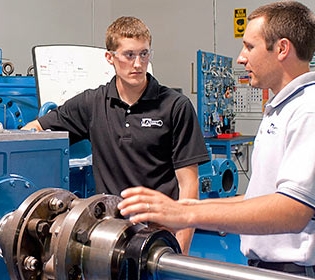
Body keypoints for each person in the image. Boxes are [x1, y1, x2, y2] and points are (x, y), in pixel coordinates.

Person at [117, 2, 315, 279]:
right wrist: (184, 207)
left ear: (281, 49)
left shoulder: (314, 111)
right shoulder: (282, 109)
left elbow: (293, 210)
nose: (241, 58)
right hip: (269, 269)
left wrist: (188, 216)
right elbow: (260, 199)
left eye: (249, 47)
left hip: (300, 273)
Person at [22, 16, 209, 254]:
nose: (138, 64)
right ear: (110, 57)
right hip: (108, 235)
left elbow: (188, 184)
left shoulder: (175, 106)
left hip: (161, 234)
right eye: (129, 55)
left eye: (144, 54)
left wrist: (181, 249)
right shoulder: (92, 104)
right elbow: (37, 127)